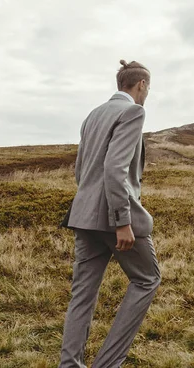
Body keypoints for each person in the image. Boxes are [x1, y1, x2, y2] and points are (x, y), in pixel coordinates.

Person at [59, 60, 160, 367]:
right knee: (147, 279)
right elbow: (115, 169)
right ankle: (107, 364)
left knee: (82, 294)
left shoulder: (93, 115)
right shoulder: (133, 112)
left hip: (83, 215)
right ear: (140, 85)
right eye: (149, 88)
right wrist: (123, 222)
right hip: (113, 219)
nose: (148, 94)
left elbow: (80, 171)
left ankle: (69, 364)